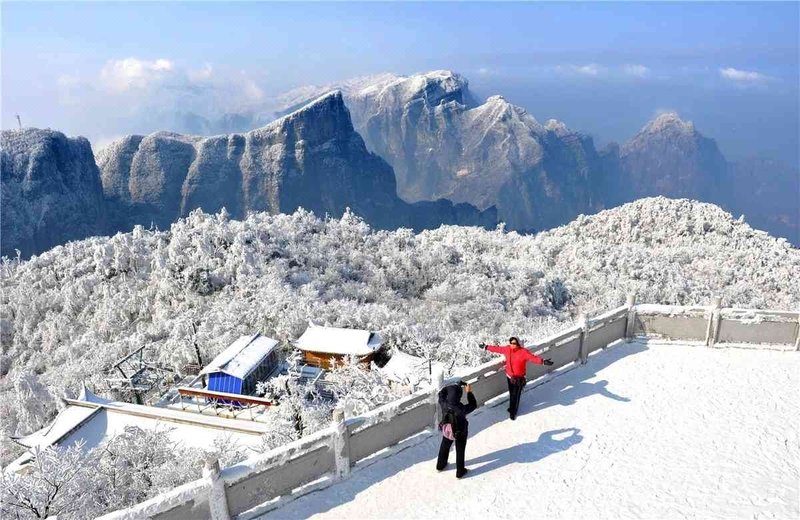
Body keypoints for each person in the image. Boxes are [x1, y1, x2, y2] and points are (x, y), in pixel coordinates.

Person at [480, 337, 554, 420]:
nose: (512, 345)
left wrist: (543, 361)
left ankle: (513, 412)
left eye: (514, 343)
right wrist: (486, 347)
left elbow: (533, 358)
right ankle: (512, 407)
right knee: (512, 393)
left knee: (516, 395)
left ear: (518, 344)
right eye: (511, 343)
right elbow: (497, 349)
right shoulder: (507, 349)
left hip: (519, 378)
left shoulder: (523, 352)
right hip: (509, 377)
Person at [436, 381, 477, 478]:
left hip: (447, 429)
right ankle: (460, 471)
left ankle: (440, 465)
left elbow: (441, 394)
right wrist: (469, 392)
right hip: (460, 431)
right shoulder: (461, 408)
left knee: (444, 446)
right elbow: (473, 405)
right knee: (460, 450)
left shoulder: (443, 403)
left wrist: (449, 387)